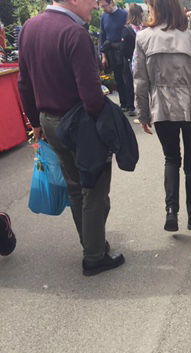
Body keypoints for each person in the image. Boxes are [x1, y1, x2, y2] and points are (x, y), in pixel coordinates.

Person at [18, 0, 125, 275]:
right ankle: (94, 255)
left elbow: (24, 83)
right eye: (92, 1)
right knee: (95, 188)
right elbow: (91, 96)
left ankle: (92, 242)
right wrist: (106, 123)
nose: (96, 5)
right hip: (78, 123)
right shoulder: (74, 33)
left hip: (49, 121)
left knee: (76, 186)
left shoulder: (30, 27)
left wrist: (34, 122)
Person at [134, 0, 191, 232]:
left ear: (156, 9)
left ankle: (171, 211)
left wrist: (142, 113)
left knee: (171, 159)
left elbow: (140, 79)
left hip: (161, 106)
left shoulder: (143, 38)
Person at [99, 0, 134, 114]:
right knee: (118, 78)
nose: (103, 8)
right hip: (111, 50)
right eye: (101, 7)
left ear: (111, 3)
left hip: (123, 50)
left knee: (127, 78)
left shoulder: (124, 14)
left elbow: (128, 33)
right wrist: (103, 55)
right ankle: (123, 103)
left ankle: (130, 105)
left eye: (104, 6)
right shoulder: (104, 17)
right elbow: (102, 36)